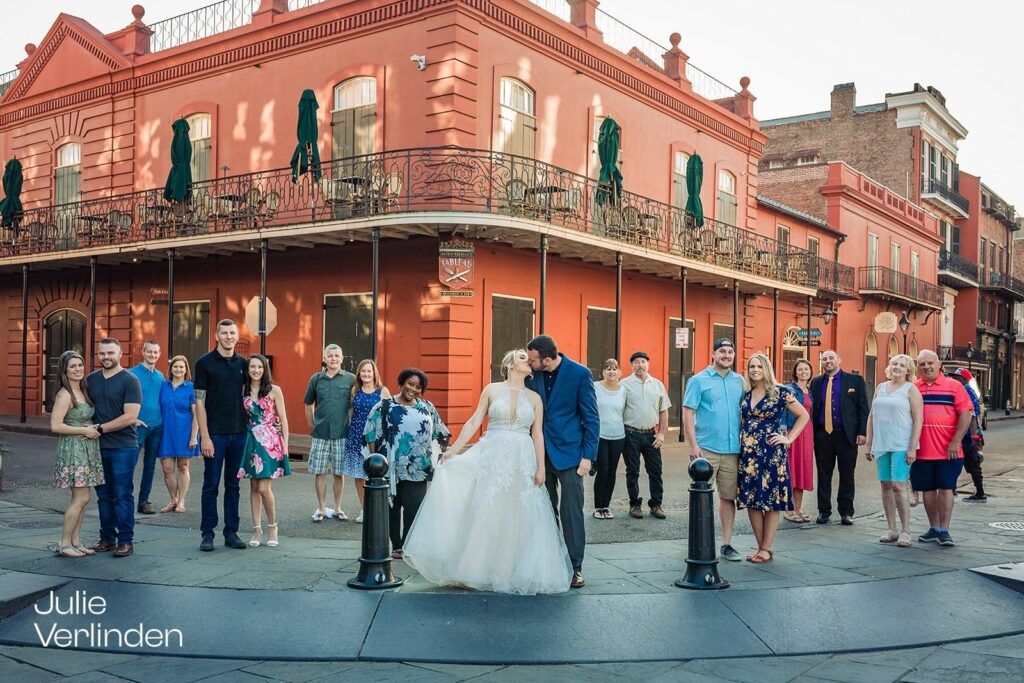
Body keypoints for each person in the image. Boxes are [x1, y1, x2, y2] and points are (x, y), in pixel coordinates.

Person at [403, 350, 573, 594]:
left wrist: (541, 468)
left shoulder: (535, 398)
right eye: (524, 358)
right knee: (487, 510)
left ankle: (513, 570)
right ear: (512, 364)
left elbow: (537, 433)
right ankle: (476, 568)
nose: (530, 362)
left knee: (519, 512)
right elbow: (474, 421)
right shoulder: (492, 390)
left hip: (522, 459)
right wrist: (454, 450)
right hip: (492, 455)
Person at [525, 335, 600, 589]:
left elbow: (591, 417)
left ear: (547, 359)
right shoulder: (529, 374)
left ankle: (575, 567)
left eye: (534, 359)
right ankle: (551, 562)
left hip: (570, 456)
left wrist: (588, 456)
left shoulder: (579, 374)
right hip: (538, 455)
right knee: (544, 513)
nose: (530, 363)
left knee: (571, 514)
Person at [363, 368, 450, 560]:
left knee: (414, 508)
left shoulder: (427, 406)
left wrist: (442, 455)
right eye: (410, 384)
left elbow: (441, 432)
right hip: (390, 467)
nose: (413, 389)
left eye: (418, 387)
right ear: (402, 383)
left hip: (419, 467)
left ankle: (409, 545)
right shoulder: (385, 406)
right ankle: (397, 545)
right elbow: (370, 433)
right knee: (392, 508)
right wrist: (374, 463)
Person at [738, 353, 809, 563]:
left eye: (759, 366)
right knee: (751, 499)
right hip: (748, 454)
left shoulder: (780, 392)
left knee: (771, 500)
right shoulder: (746, 393)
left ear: (767, 368)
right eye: (752, 366)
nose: (755, 370)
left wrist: (788, 439)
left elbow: (803, 415)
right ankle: (760, 547)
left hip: (771, 453)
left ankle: (766, 548)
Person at [683, 338, 745, 562]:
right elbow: (688, 411)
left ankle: (726, 544)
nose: (726, 355)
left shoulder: (740, 381)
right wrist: (693, 445)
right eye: (722, 351)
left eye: (730, 352)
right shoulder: (698, 380)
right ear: (713, 354)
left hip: (732, 450)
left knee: (728, 498)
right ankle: (700, 543)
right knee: (701, 497)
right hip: (706, 448)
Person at [195, 319, 249, 552]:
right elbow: (199, 401)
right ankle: (207, 533)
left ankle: (231, 532)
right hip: (214, 435)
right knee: (210, 486)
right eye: (224, 333)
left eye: (232, 333)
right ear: (216, 336)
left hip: (239, 434)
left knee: (234, 486)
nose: (228, 336)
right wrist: (204, 436)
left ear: (237, 336)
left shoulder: (244, 364)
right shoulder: (204, 363)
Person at [85, 338, 143, 558]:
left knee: (122, 494)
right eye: (102, 353)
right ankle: (107, 539)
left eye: (110, 353)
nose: (106, 357)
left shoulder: (130, 380)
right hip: (96, 447)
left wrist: (99, 429)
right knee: (103, 495)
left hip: (123, 447)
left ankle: (125, 541)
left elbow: (130, 416)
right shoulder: (91, 380)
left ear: (120, 354)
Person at [913, 350, 973, 546]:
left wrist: (956, 441)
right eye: (922, 364)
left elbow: (966, 415)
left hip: (950, 450)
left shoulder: (954, 386)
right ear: (917, 367)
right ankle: (934, 528)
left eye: (930, 363)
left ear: (939, 365)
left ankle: (945, 530)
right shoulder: (913, 388)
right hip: (922, 451)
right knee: (928, 490)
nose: (927, 367)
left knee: (946, 488)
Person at [864, 354, 923, 548]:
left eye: (902, 365)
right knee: (885, 484)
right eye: (894, 363)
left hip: (901, 444)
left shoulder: (911, 389)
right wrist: (869, 443)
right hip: (881, 444)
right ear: (889, 367)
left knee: (899, 486)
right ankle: (891, 528)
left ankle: (906, 530)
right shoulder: (881, 387)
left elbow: (918, 420)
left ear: (909, 370)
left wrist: (912, 447)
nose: (897, 367)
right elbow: (872, 416)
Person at [49, 350, 103, 558]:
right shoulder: (64, 394)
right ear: (64, 370)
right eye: (73, 366)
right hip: (73, 450)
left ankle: (76, 541)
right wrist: (83, 430)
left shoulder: (83, 389)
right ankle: (63, 544)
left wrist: (92, 427)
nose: (78, 369)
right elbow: (55, 425)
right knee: (80, 498)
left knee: (83, 498)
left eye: (80, 365)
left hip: (87, 449)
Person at [810, 349, 869, 525]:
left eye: (831, 358)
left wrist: (862, 432)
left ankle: (846, 512)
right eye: (825, 359)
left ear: (839, 360)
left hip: (846, 435)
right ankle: (823, 511)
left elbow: (863, 408)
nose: (828, 361)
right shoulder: (816, 382)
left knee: (847, 474)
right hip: (822, 435)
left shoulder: (855, 381)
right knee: (823, 474)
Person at [238, 354, 291, 548]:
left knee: (264, 489)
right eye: (252, 367)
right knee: (253, 487)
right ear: (248, 369)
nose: (256, 370)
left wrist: (284, 444)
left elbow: (283, 419)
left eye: (259, 367)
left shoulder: (274, 390)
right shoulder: (242, 390)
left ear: (265, 369)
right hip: (251, 441)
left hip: (270, 443)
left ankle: (272, 527)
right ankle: (256, 529)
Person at [303, 344, 356, 522]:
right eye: (330, 356)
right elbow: (308, 403)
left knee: (339, 473)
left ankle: (338, 508)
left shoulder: (350, 379)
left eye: (336, 355)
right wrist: (312, 426)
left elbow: (352, 405)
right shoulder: (316, 379)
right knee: (320, 472)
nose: (333, 358)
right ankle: (321, 509)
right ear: (324, 358)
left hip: (342, 434)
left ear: (342, 358)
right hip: (321, 433)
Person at [620, 351, 672, 520]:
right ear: (631, 365)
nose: (639, 365)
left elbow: (663, 411)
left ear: (648, 364)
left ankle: (656, 505)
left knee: (656, 471)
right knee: (632, 471)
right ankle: (634, 505)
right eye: (636, 362)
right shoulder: (624, 385)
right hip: (631, 434)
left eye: (642, 361)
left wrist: (661, 434)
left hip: (651, 435)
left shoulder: (657, 385)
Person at [346, 359, 390, 523]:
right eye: (363, 371)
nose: (366, 374)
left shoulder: (382, 391)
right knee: (359, 475)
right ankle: (365, 509)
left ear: (374, 373)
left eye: (369, 371)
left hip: (375, 438)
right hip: (356, 436)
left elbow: (388, 414)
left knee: (378, 473)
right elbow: (350, 412)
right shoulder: (355, 390)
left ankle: (379, 507)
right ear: (359, 373)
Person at [157, 355, 199, 513]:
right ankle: (173, 499)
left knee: (183, 467)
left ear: (186, 369)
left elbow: (196, 414)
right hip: (166, 432)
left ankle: (181, 501)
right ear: (171, 369)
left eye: (181, 367)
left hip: (185, 432)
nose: (178, 369)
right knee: (167, 468)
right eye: (175, 366)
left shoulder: (191, 388)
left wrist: (194, 436)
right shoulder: (163, 386)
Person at [130, 340, 164, 516]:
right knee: (130, 463)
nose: (152, 355)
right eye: (149, 352)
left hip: (156, 427)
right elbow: (123, 399)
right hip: (137, 427)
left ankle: (144, 501)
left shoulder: (160, 376)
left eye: (156, 352)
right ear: (143, 352)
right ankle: (125, 500)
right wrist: (133, 419)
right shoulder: (132, 374)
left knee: (150, 465)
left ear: (159, 354)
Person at [593, 358, 626, 519]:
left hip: (618, 435)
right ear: (603, 372)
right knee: (603, 469)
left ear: (619, 372)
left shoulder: (624, 390)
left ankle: (606, 506)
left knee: (612, 471)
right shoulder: (595, 387)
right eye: (608, 369)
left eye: (614, 369)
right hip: (600, 435)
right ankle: (598, 507)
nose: (611, 371)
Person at [783, 359, 815, 522]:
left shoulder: (810, 391)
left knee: (802, 471)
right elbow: (783, 412)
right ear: (795, 372)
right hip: (793, 432)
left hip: (807, 434)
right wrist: (786, 436)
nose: (803, 372)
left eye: (806, 369)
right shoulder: (790, 389)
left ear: (810, 372)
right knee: (791, 472)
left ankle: (798, 508)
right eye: (800, 369)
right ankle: (789, 510)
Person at [949, 368, 986, 502]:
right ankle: (954, 489)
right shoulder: (969, 390)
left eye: (957, 377)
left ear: (964, 379)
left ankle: (979, 492)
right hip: (970, 432)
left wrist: (973, 435)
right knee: (969, 462)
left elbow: (971, 415)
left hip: (967, 433)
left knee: (965, 462)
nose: (954, 378)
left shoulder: (964, 390)